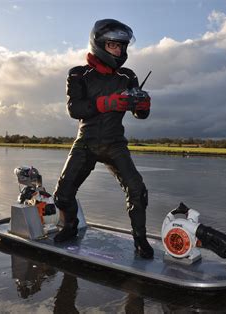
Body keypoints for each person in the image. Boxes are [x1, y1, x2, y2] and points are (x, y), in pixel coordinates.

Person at [53, 19, 154, 259]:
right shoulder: (78, 73)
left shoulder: (128, 75)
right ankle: (70, 226)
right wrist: (106, 102)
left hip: (114, 143)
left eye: (121, 46)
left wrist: (143, 105)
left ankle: (140, 240)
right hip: (85, 142)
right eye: (112, 45)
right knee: (62, 195)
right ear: (98, 44)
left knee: (137, 190)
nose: (118, 51)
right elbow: (74, 109)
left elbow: (140, 115)